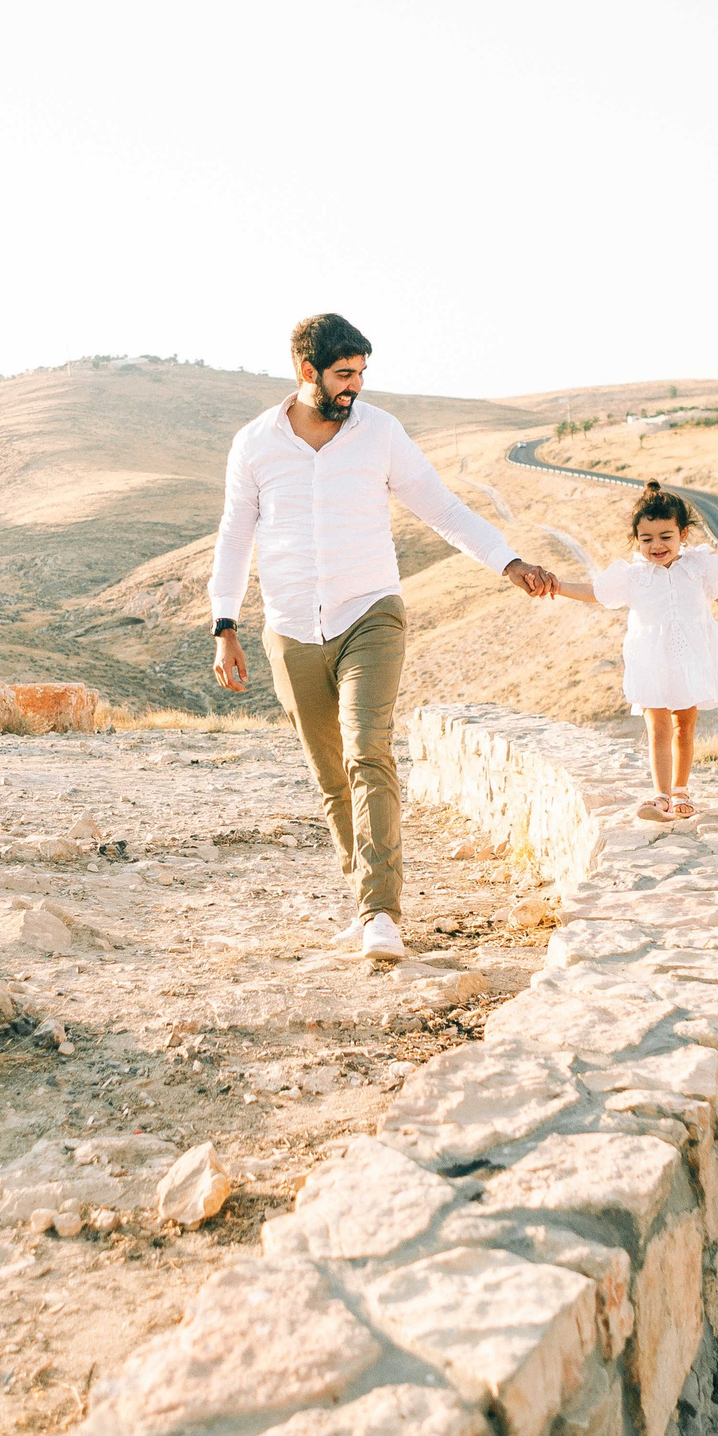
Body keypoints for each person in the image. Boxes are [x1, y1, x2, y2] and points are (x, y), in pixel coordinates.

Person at [209, 313, 559, 961]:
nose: (355, 387)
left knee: (368, 749)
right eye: (344, 374)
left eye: (362, 374)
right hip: (289, 628)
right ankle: (363, 899)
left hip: (370, 611)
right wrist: (224, 624)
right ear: (306, 371)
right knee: (330, 775)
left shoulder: (381, 434)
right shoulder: (255, 444)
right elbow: (234, 536)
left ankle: (381, 913)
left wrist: (508, 562)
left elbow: (443, 506)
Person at [548, 480, 718, 821]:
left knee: (683, 727)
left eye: (665, 537)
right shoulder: (633, 575)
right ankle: (660, 797)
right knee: (657, 727)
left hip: (690, 659)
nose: (656, 546)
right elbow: (596, 593)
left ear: (683, 534)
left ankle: (681, 791)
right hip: (651, 662)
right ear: (637, 540)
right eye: (647, 539)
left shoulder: (698, 566)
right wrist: (558, 586)